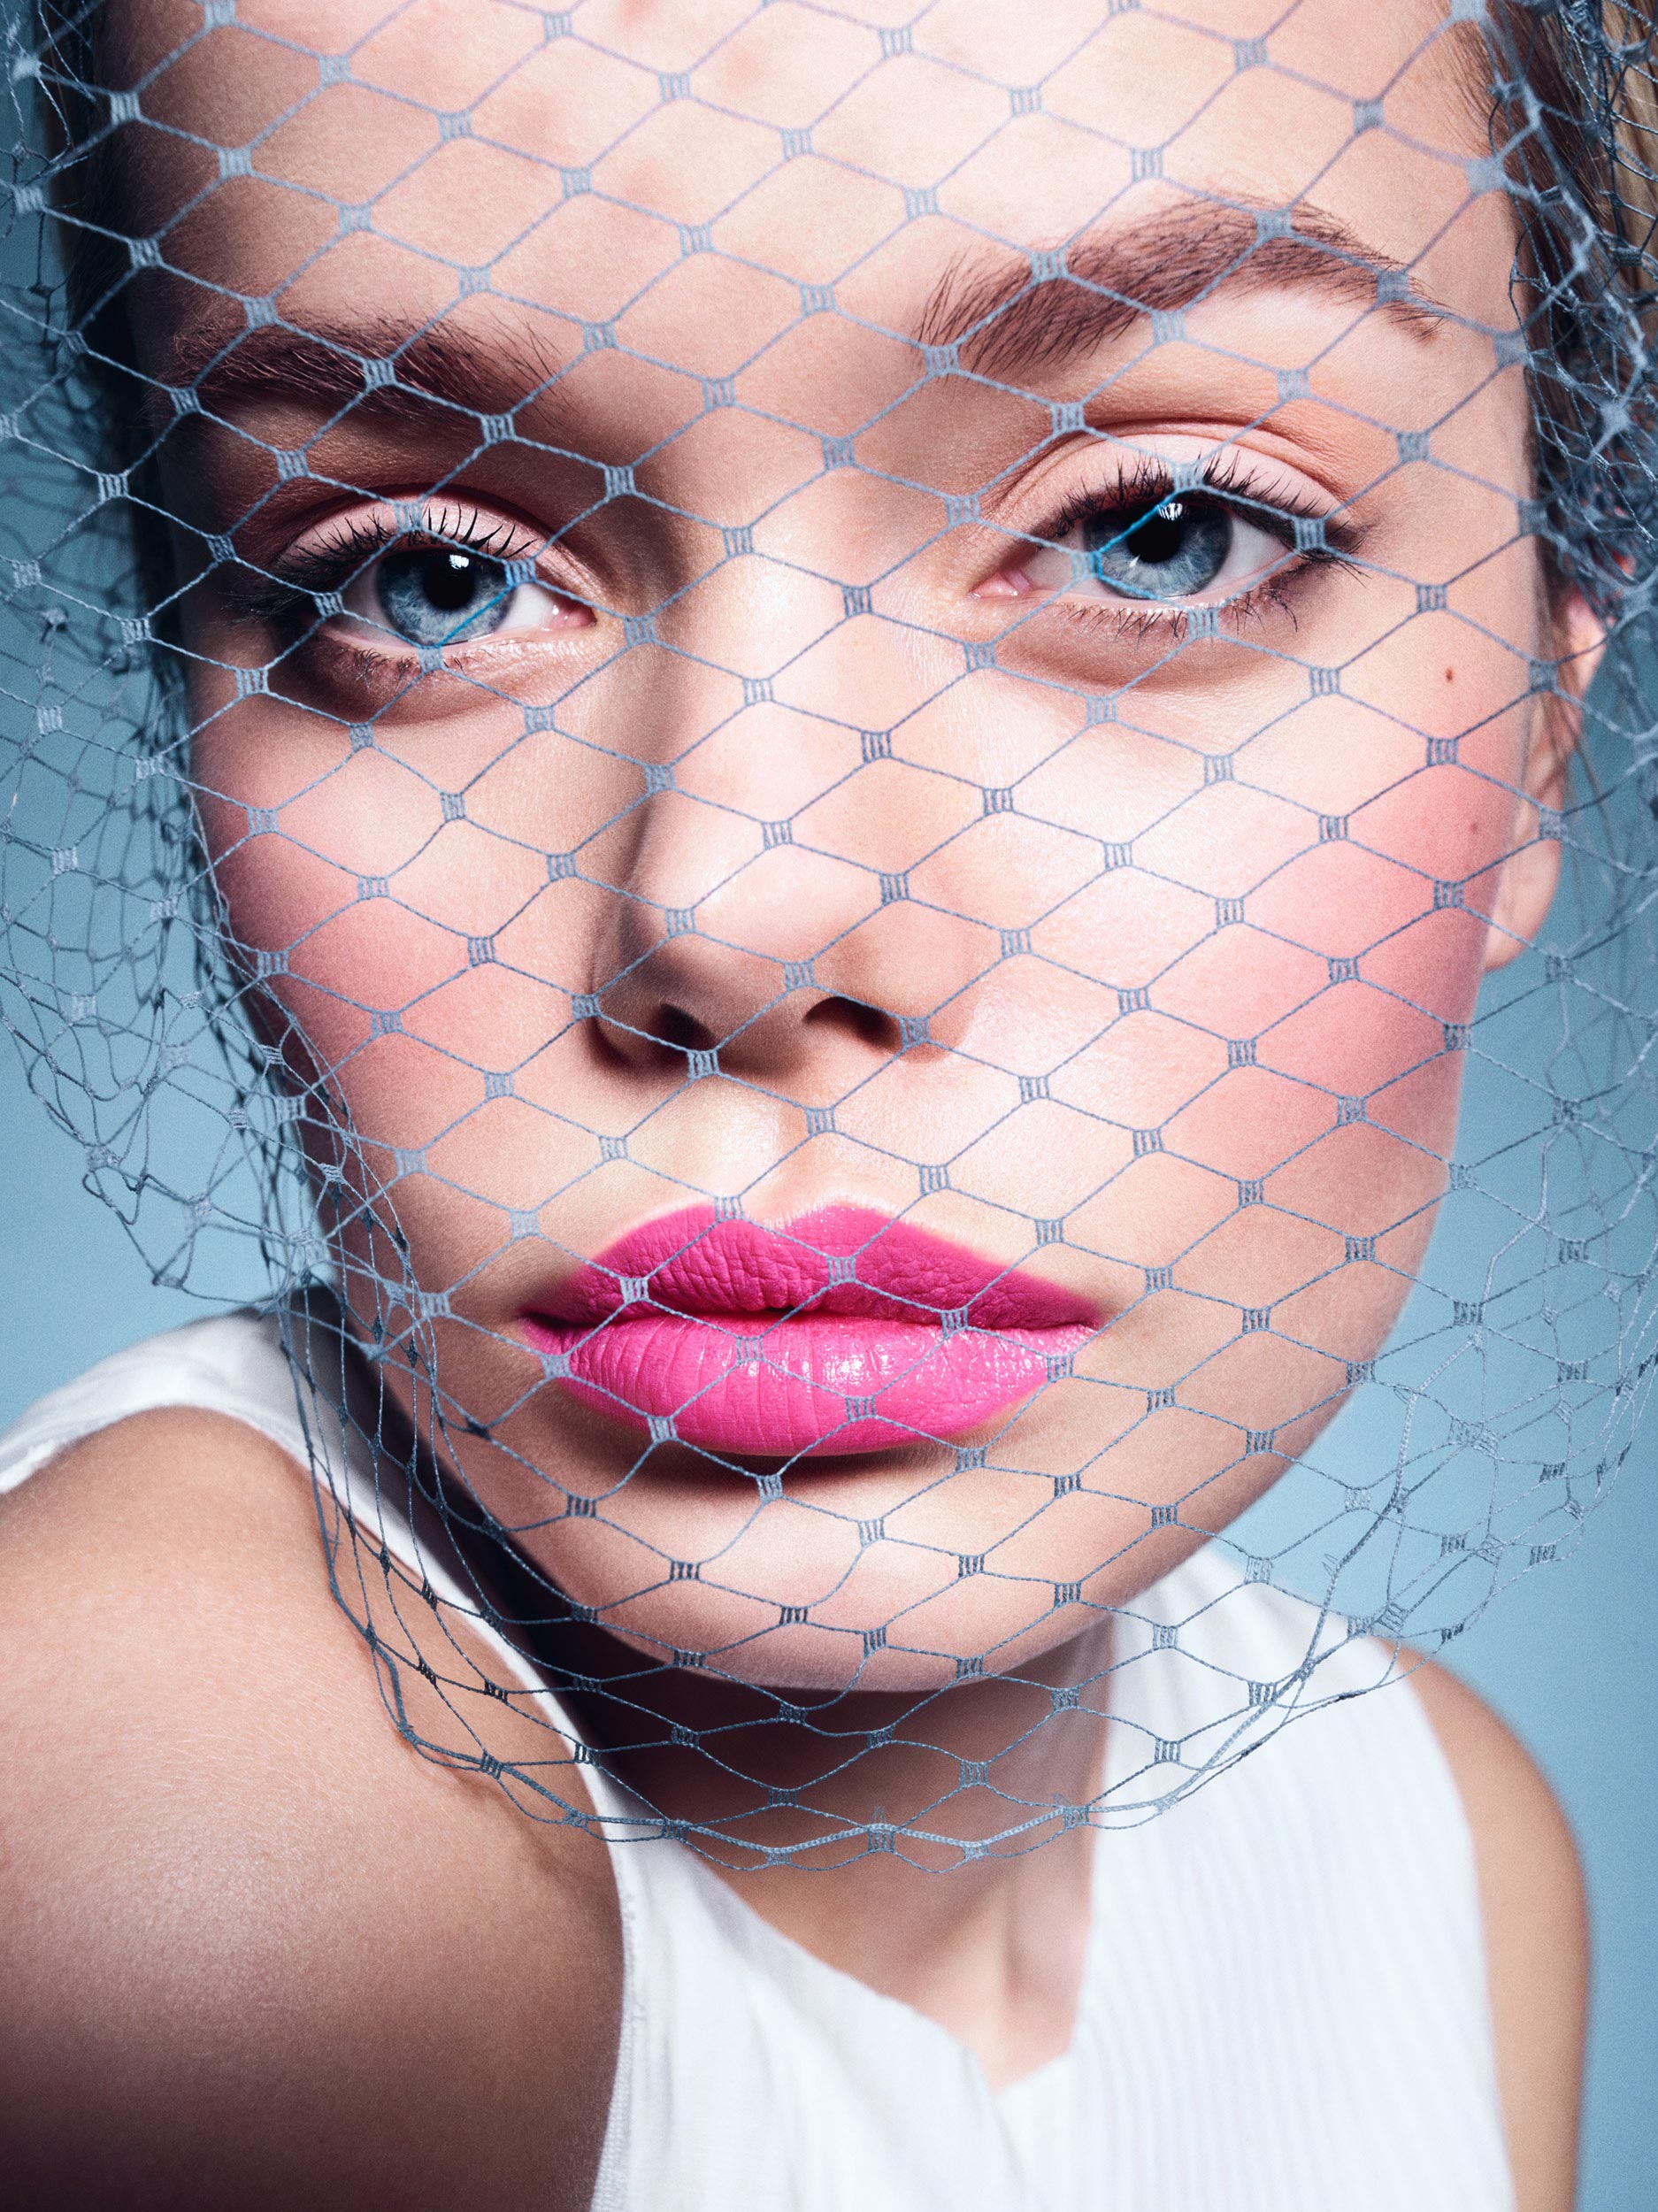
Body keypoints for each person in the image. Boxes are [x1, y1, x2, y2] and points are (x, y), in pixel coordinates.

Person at [1, 0, 1641, 2205]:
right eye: (429, 576)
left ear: (1542, 723)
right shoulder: (187, 1844)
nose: (735, 909)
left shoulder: (1425, 1843)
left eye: (1158, 533)